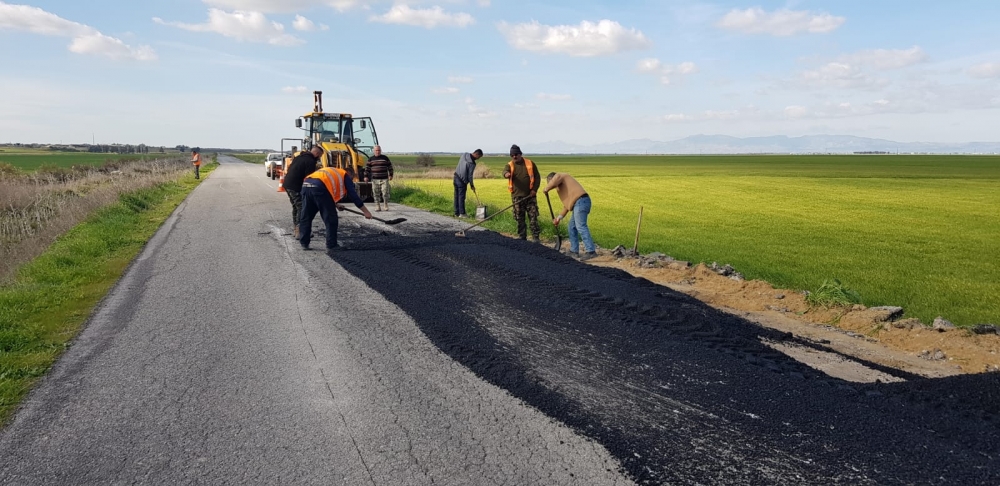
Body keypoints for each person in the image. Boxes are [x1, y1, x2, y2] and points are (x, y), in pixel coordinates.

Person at [299, 166, 373, 253]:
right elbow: (353, 195)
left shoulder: (332, 172)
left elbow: (328, 190)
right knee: (331, 218)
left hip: (306, 186)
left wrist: (335, 204)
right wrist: (366, 212)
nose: (351, 180)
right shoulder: (344, 175)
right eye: (352, 178)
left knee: (306, 216)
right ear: (350, 174)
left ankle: (304, 243)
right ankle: (331, 245)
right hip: (319, 188)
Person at [543, 172, 596, 260]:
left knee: (581, 226)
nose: (552, 186)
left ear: (552, 179)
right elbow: (567, 206)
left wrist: (546, 189)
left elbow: (555, 179)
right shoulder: (561, 188)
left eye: (550, 182)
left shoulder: (562, 176)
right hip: (578, 204)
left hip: (581, 201)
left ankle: (591, 251)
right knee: (571, 227)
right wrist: (558, 218)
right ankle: (574, 251)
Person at [283, 144, 324, 238]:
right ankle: (300, 231)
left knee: (296, 207)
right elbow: (309, 178)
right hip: (295, 186)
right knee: (302, 207)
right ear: (317, 154)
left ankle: (296, 229)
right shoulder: (310, 161)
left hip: (288, 184)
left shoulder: (299, 157)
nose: (319, 158)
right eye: (320, 156)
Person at [502, 144, 541, 241]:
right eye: (512, 155)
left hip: (530, 196)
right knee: (519, 218)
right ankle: (522, 237)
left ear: (520, 154)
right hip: (517, 197)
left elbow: (537, 177)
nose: (514, 157)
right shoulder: (509, 165)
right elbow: (505, 172)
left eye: (516, 154)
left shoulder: (530, 163)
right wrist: (506, 174)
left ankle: (535, 237)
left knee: (533, 218)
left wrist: (534, 190)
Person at [453, 149, 483, 218]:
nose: (478, 159)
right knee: (461, 197)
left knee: (456, 196)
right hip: (462, 181)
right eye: (479, 157)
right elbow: (470, 175)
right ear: (476, 154)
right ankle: (462, 213)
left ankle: (456, 213)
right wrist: (472, 185)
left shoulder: (464, 154)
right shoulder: (472, 163)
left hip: (455, 176)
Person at [364, 145, 394, 211]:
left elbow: (390, 167)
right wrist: (366, 176)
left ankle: (385, 205)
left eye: (379, 150)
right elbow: (367, 169)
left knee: (385, 192)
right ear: (374, 151)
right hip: (375, 179)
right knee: (375, 193)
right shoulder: (371, 159)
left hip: (384, 179)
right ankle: (377, 206)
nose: (378, 152)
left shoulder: (385, 158)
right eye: (376, 150)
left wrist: (391, 175)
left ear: (381, 151)